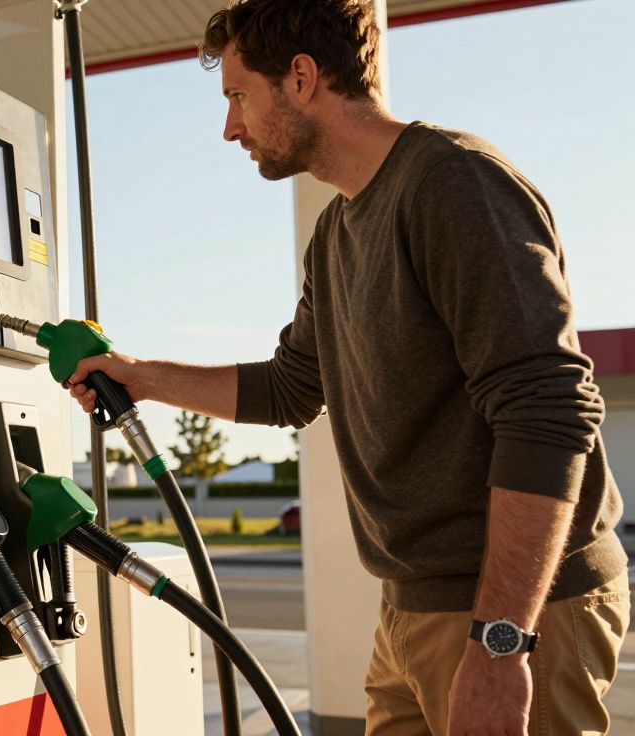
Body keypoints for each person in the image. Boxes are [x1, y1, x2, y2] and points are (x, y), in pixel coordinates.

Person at [66, 1, 629, 734]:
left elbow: (547, 409)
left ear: (301, 78)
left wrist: (500, 644)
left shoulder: (454, 184)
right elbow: (291, 387)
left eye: (238, 96)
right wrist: (140, 376)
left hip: (515, 612)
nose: (230, 127)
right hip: (411, 610)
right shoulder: (336, 232)